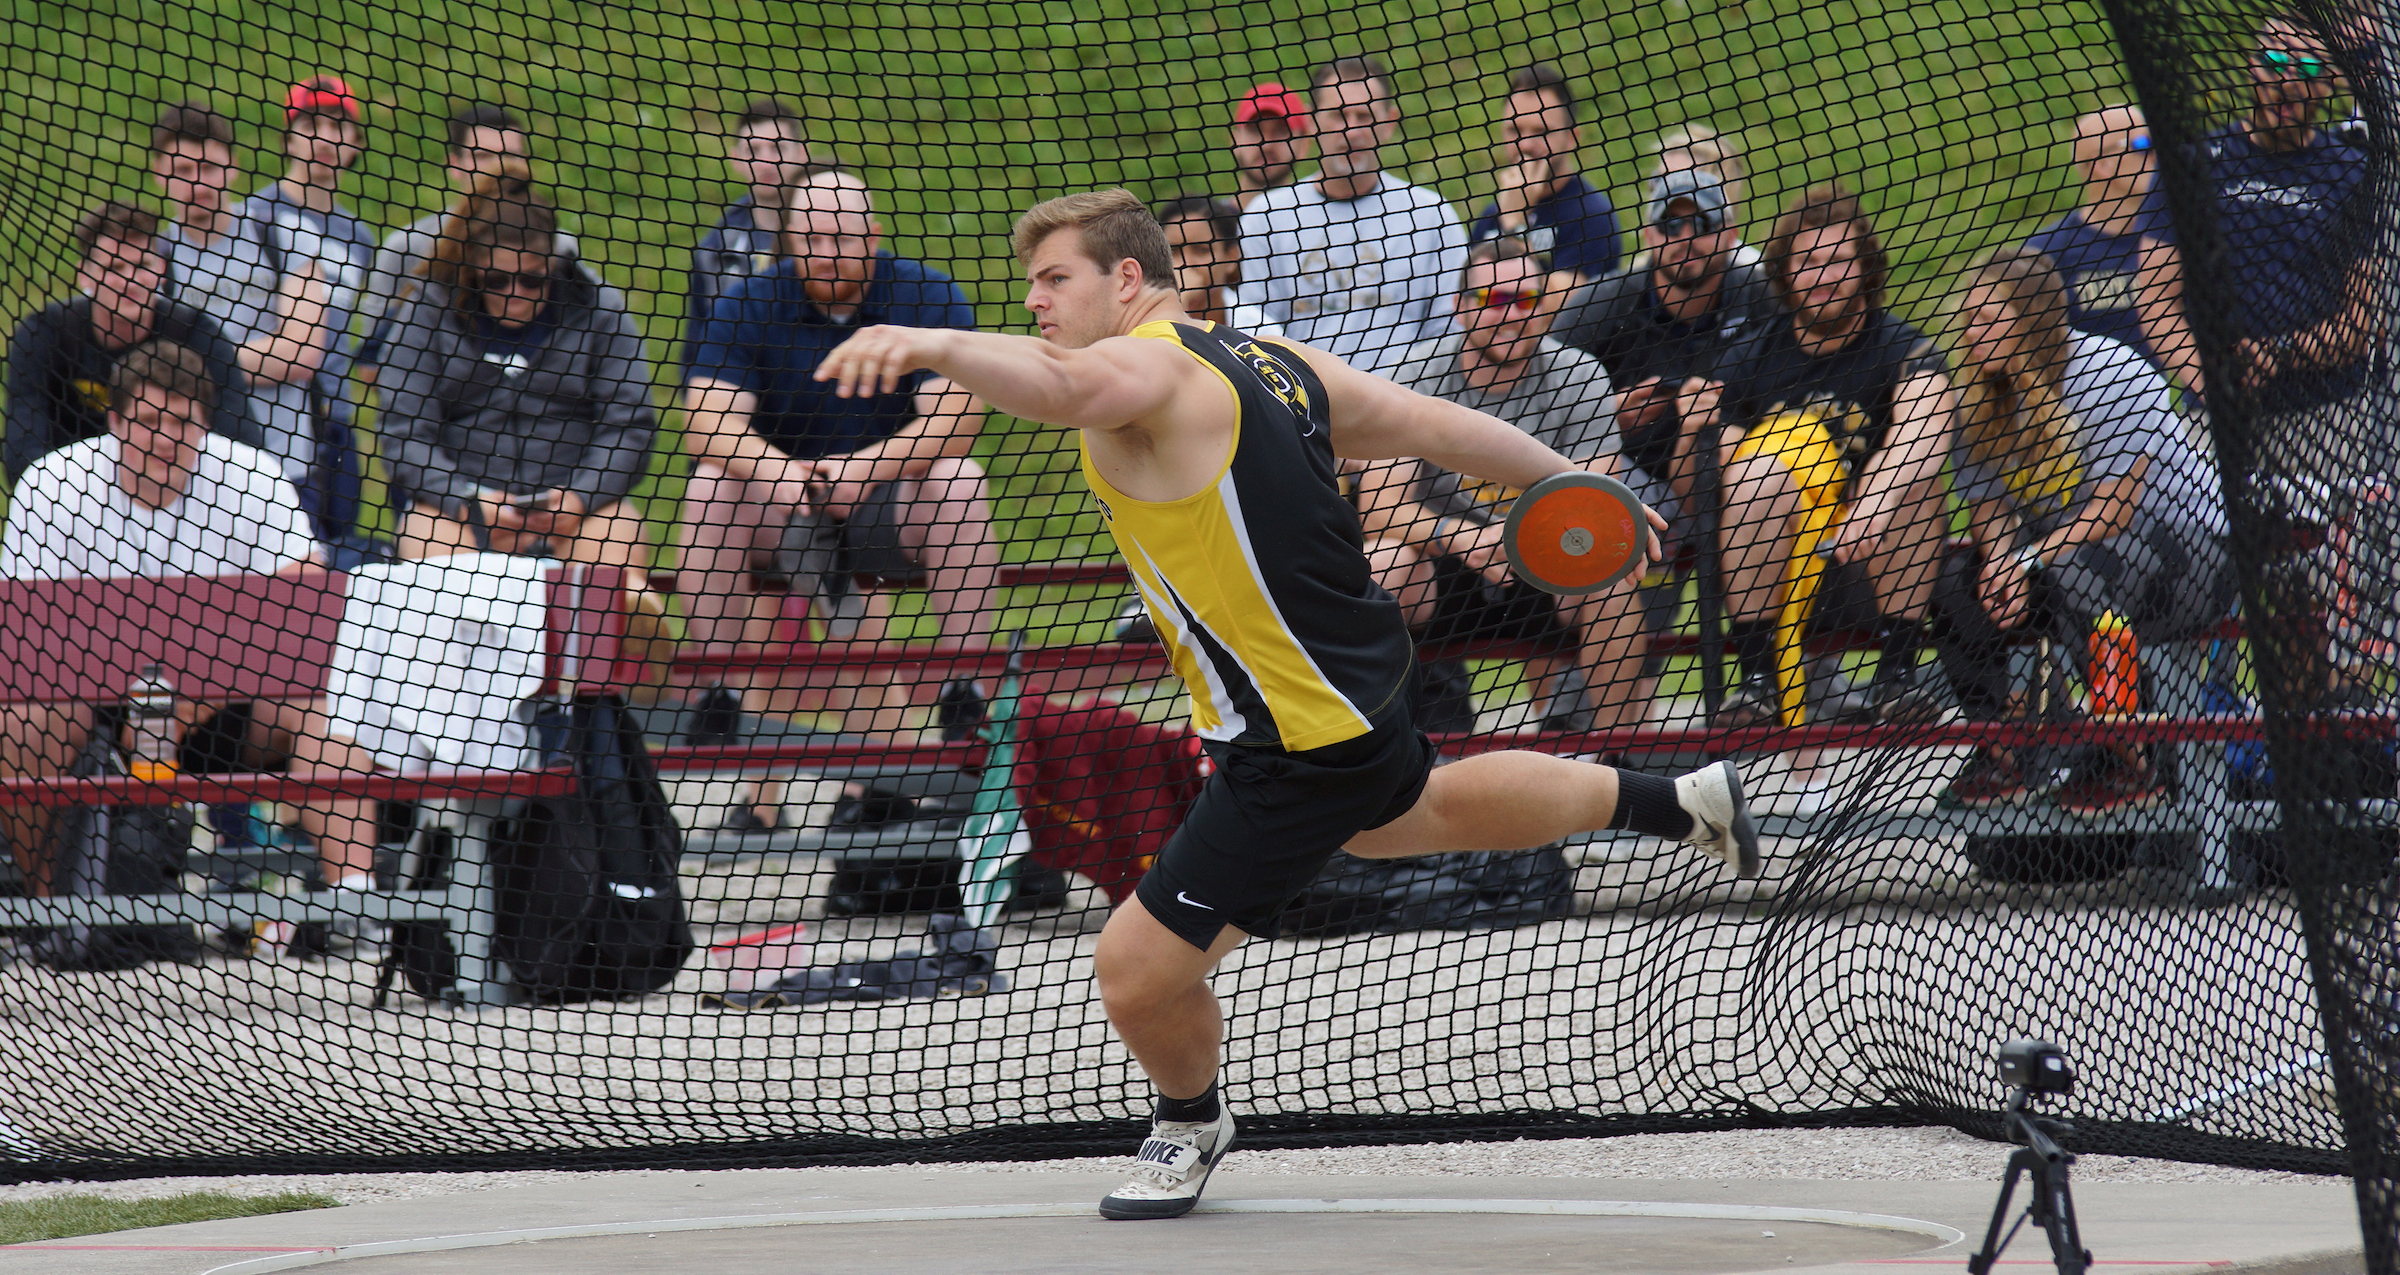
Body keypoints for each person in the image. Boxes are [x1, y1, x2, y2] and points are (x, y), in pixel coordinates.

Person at [810, 188, 1760, 1220]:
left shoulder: (1147, 368)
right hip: (1354, 686)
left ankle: (1190, 1121)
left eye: (1055, 280)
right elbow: (1432, 424)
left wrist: (928, 340)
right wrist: (1575, 475)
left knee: (1132, 975)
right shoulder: (1272, 358)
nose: (1036, 301)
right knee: (1414, 818)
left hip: (1293, 739)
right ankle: (1675, 803)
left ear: (1127, 280)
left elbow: (1052, 380)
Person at [0, 341, 376, 914]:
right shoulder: (57, 485)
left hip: (229, 707)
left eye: (182, 422)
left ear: (205, 421)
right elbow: (29, 632)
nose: (165, 438)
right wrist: (137, 699)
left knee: (332, 706)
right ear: (115, 420)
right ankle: (53, 911)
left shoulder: (251, 476)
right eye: (148, 421)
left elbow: (302, 610)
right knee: (22, 723)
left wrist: (189, 703)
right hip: (95, 707)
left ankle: (357, 908)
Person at [680, 170, 993, 828]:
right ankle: (718, 688)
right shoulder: (747, 301)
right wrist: (785, 476)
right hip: (779, 506)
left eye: (843, 237)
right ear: (791, 239)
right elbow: (704, 421)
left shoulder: (927, 294)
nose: (826, 250)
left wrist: (864, 470)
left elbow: (958, 419)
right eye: (812, 237)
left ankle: (967, 686)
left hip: (890, 507)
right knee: (710, 483)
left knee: (960, 479)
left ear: (873, 235)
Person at [1930, 247, 2231, 814]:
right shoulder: (1981, 394)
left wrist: (2025, 563)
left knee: (2075, 571)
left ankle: (2127, 754)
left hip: (2192, 557)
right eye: (1969, 320)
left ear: (2034, 322)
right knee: (1951, 581)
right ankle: (2005, 749)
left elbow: (2114, 511)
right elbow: (1990, 506)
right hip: (2072, 562)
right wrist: (1999, 562)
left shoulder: (2109, 373)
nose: (1973, 334)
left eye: (1989, 320)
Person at [1673, 185, 1955, 729]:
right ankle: (1756, 682)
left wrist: (1871, 503)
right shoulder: (1750, 353)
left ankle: (1897, 677)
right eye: (1807, 262)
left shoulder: (1902, 346)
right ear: (1783, 271)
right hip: (1768, 566)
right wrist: (1692, 434)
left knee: (1918, 487)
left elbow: (1926, 429)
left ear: (1865, 267)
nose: (1823, 276)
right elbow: (1695, 492)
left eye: (1838, 261)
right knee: (1758, 475)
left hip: (1866, 565)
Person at [1364, 238, 1651, 733]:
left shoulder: (1580, 376)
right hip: (1445, 564)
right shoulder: (1411, 376)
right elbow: (1379, 507)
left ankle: (1615, 761)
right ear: (1458, 308)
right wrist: (1457, 536)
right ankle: (1369, 751)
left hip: (1547, 565)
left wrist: (1519, 542)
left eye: (1525, 300)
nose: (1511, 315)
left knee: (1612, 581)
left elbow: (1596, 503)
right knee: (1377, 565)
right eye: (1492, 301)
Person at [2136, 11, 2374, 481]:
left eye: (2306, 70)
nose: (2286, 82)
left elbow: (2361, 322)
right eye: (2274, 61)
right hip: (2214, 422)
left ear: (2328, 85)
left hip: (2324, 422)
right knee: (2213, 547)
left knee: (2320, 552)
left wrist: (2277, 353)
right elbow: (2154, 300)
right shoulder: (2192, 166)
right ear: (2252, 66)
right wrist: (2213, 384)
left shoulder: (2354, 176)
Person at [375, 175, 658, 570]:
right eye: (497, 279)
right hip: (464, 510)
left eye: (531, 280)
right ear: (473, 267)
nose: (515, 294)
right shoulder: (428, 307)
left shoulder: (599, 307)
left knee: (615, 548)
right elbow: (403, 431)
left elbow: (631, 426)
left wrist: (580, 498)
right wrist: (465, 500)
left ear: (553, 264)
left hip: (578, 510)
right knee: (425, 538)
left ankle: (628, 619)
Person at [1237, 55, 1465, 375]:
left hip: (1405, 409)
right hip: (1302, 412)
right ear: (1313, 122)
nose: (1352, 130)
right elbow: (1251, 331)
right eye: (1339, 115)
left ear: (1389, 123)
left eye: (1364, 115)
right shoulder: (1266, 219)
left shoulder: (1431, 218)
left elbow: (1450, 331)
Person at [5, 202, 257, 490]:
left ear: (162, 269)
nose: (130, 281)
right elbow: (22, 449)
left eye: (142, 266)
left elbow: (240, 441)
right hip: (76, 499)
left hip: (186, 498)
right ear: (84, 274)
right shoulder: (45, 334)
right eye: (114, 267)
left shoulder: (197, 335)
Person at [223, 75, 378, 541]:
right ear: (289, 138)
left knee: (339, 549)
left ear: (355, 143)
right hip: (273, 418)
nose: (325, 139)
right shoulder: (255, 218)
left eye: (338, 126)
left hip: (336, 418)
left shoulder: (360, 237)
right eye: (311, 124)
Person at [355, 103, 585, 371]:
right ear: (455, 165)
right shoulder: (408, 247)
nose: (499, 168)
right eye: (484, 157)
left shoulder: (560, 246)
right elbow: (373, 362)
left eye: (511, 156)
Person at [2024, 106, 2157, 364]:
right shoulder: (2046, 253)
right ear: (2103, 165)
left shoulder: (2173, 240)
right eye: (2142, 145)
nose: (2155, 156)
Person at [686, 97, 815, 354]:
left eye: (778, 148)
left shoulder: (832, 234)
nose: (766, 162)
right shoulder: (714, 252)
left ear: (802, 153)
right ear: (736, 159)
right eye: (753, 150)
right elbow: (696, 349)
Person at [1468, 64, 1618, 282]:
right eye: (1514, 130)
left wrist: (1514, 223)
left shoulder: (1592, 216)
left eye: (1542, 132)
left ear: (1571, 138)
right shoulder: (1490, 217)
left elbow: (1561, 306)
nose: (1526, 144)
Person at [1153, 195, 1274, 333]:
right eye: (1173, 251)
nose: (1186, 264)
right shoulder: (1134, 323)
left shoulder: (1261, 330)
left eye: (1201, 250)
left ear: (1231, 257)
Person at [1228, 82, 1311, 211]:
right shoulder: (1210, 226)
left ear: (1304, 146)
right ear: (1235, 140)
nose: (1266, 145)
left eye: (1281, 131)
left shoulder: (1317, 223)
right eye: (1255, 130)